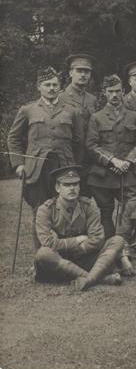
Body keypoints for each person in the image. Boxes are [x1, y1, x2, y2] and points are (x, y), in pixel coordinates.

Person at [7, 67, 84, 247]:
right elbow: (13, 138)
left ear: (59, 87)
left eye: (54, 84)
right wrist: (19, 164)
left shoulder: (72, 111)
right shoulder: (28, 110)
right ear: (39, 87)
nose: (51, 88)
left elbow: (79, 143)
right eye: (47, 84)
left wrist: (75, 166)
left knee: (63, 210)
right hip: (37, 169)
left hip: (63, 167)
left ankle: (63, 254)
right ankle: (40, 257)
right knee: (40, 211)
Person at [34, 165, 124, 290]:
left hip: (84, 258)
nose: (72, 188)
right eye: (66, 185)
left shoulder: (88, 206)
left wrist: (77, 249)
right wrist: (78, 240)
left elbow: (97, 238)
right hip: (59, 262)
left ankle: (86, 280)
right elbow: (48, 242)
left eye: (75, 184)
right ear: (57, 187)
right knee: (44, 253)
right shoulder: (45, 210)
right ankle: (98, 279)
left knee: (117, 240)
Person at [86, 74, 136, 239]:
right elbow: (91, 145)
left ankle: (126, 243)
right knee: (106, 212)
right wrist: (113, 161)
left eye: (117, 91)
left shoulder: (134, 116)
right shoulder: (96, 117)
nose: (114, 95)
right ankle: (109, 247)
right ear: (104, 92)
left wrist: (128, 161)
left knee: (131, 209)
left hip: (128, 173)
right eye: (110, 91)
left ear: (123, 92)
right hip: (103, 175)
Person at [59, 53, 97, 128]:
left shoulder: (92, 99)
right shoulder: (60, 97)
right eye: (79, 71)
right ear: (71, 73)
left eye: (86, 71)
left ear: (90, 74)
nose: (83, 75)